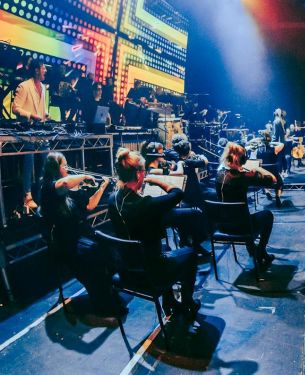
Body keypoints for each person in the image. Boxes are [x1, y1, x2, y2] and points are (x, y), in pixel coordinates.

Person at [108, 148, 200, 320]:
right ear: (139, 174)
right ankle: (188, 302)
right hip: (151, 273)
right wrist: (156, 180)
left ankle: (170, 302)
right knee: (191, 254)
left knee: (164, 246)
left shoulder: (112, 199)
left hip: (126, 269)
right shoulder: (146, 204)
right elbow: (177, 193)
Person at [40, 152, 123, 317]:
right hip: (66, 241)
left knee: (110, 248)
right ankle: (102, 301)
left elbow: (89, 206)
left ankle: (105, 289)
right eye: (64, 165)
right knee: (95, 257)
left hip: (82, 234)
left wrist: (102, 187)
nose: (67, 168)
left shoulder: (69, 188)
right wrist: (84, 175)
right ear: (55, 168)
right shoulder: (48, 187)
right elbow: (64, 182)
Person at [216, 142, 278, 266]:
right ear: (239, 159)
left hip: (223, 226)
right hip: (243, 227)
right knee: (267, 215)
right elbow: (273, 180)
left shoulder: (219, 175)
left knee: (242, 216)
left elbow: (232, 175)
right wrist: (258, 169)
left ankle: (252, 251)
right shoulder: (244, 176)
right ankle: (260, 251)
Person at [11, 58, 48, 212]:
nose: (45, 71)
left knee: (47, 159)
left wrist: (46, 114)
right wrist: (31, 115)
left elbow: (42, 108)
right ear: (36, 70)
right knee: (29, 157)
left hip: (40, 131)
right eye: (43, 68)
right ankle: (27, 195)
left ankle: (40, 193)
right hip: (26, 132)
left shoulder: (44, 88)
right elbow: (15, 108)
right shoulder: (24, 86)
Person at [257, 132, 285, 207]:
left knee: (264, 179)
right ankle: (277, 197)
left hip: (263, 172)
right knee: (280, 184)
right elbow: (282, 144)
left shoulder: (257, 150)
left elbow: (258, 162)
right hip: (273, 172)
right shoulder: (274, 149)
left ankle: (267, 192)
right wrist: (271, 142)